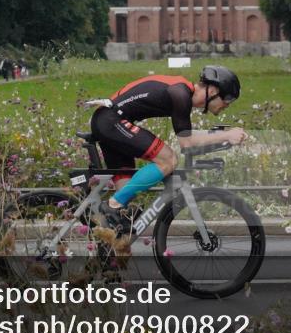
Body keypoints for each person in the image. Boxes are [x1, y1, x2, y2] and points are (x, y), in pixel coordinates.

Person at [90, 65, 246, 235]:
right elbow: (187, 142)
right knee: (168, 160)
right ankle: (111, 206)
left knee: (124, 204)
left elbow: (188, 138)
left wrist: (220, 137)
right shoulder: (180, 94)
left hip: (109, 121)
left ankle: (107, 248)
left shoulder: (182, 91)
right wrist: (226, 135)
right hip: (111, 121)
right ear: (214, 90)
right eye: (228, 99)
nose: (227, 105)